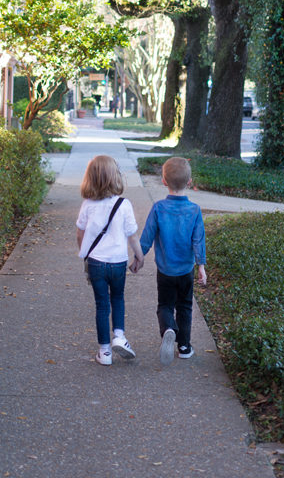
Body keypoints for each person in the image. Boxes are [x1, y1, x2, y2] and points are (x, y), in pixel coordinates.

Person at [134, 156, 207, 365]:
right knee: (184, 306)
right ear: (190, 182)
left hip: (165, 270)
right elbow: (198, 240)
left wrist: (139, 257)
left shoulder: (158, 208)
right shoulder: (194, 210)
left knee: (165, 304)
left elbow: (147, 236)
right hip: (185, 270)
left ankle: (167, 327)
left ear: (164, 181)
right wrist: (201, 266)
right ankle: (184, 347)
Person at [76, 154, 144, 366]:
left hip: (96, 262)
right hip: (118, 262)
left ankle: (104, 352)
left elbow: (80, 233)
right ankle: (120, 337)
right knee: (118, 298)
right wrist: (139, 256)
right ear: (116, 177)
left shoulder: (87, 204)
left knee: (101, 305)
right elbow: (132, 235)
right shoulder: (124, 205)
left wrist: (85, 253)